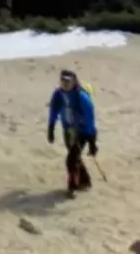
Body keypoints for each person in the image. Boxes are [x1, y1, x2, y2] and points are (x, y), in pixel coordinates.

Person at [47, 68, 98, 197]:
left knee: (71, 159)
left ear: (74, 81)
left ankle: (72, 188)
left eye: (68, 81)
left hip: (82, 132)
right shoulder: (58, 95)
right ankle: (85, 181)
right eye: (62, 80)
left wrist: (92, 141)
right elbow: (53, 110)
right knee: (75, 157)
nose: (65, 83)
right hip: (68, 130)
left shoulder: (82, 98)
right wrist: (51, 127)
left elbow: (90, 119)